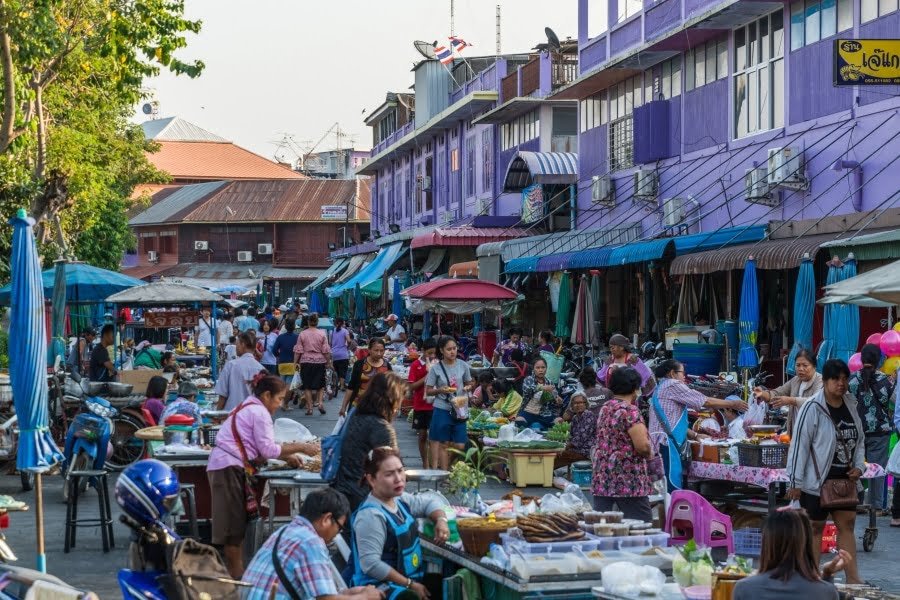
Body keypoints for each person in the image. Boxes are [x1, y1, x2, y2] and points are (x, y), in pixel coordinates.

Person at [207, 373, 318, 579]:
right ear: (266, 395)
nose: (279, 404)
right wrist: (302, 446)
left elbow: (258, 449)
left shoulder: (246, 407)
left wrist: (287, 457)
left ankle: (238, 576)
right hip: (228, 467)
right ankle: (237, 580)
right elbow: (267, 449)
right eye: (279, 399)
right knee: (232, 530)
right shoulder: (259, 412)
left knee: (236, 526)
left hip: (227, 466)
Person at [786, 358, 865, 585]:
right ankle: (811, 580)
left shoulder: (851, 404)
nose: (841, 384)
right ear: (826, 381)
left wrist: (859, 466)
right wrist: (795, 481)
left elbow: (859, 440)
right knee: (815, 528)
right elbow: (799, 445)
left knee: (847, 526)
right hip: (816, 480)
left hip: (845, 480)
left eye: (844, 379)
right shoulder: (812, 407)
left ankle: (853, 579)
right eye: (835, 379)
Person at [242, 487, 382, 600]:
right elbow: (326, 599)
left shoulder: (285, 531)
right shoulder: (311, 542)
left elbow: (322, 592)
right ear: (327, 519)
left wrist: (351, 593)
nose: (336, 534)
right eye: (339, 527)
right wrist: (365, 596)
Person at [350, 447, 449, 600]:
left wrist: (441, 521)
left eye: (400, 470)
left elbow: (430, 503)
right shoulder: (371, 516)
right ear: (371, 479)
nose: (398, 478)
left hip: (408, 578)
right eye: (389, 474)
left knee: (444, 579)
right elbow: (371, 564)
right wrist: (410, 584)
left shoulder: (400, 500)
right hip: (378, 586)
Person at [650, 359, 747, 491]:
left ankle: (668, 510)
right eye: (682, 373)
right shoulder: (672, 384)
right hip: (667, 445)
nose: (684, 376)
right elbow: (704, 401)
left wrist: (695, 435)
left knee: (662, 489)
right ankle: (672, 510)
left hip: (660, 443)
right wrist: (732, 404)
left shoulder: (660, 387)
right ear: (673, 373)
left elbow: (670, 421)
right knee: (671, 488)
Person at [732, 511, 849, 599]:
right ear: (806, 544)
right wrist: (827, 575)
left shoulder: (744, 588)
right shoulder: (825, 591)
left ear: (766, 544)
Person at [333, 372, 403, 511]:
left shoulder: (356, 413)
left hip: (343, 487)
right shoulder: (381, 427)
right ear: (393, 398)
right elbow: (393, 468)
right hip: (367, 497)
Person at [591, 367, 653, 521]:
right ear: (634, 388)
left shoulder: (605, 408)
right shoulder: (630, 411)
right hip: (627, 480)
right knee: (642, 528)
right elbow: (642, 447)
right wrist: (650, 452)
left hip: (603, 477)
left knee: (602, 527)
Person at [849, 343, 894, 512]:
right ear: (879, 360)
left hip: (856, 431)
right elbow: (894, 403)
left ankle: (857, 502)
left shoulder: (852, 379)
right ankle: (876, 506)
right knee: (877, 470)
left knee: (856, 467)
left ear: (861, 360)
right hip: (880, 432)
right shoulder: (885, 380)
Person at [425, 335, 474, 470]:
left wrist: (468, 387)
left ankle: (449, 466)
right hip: (442, 408)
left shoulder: (463, 365)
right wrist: (440, 390)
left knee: (460, 445)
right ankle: (445, 474)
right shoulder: (436, 368)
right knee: (443, 443)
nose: (452, 352)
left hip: (459, 409)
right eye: (449, 349)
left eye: (454, 348)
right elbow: (428, 391)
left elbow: (470, 382)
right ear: (441, 350)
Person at [755, 349, 823, 432]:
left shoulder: (820, 380)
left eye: (805, 365)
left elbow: (815, 402)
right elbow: (777, 393)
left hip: (814, 432)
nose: (801, 369)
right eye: (798, 365)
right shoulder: (795, 380)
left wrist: (791, 400)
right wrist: (762, 394)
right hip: (796, 431)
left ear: (814, 366)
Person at [214, 331, 266, 411]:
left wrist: (217, 415)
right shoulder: (262, 369)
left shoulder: (231, 365)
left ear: (243, 345)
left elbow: (222, 396)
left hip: (232, 415)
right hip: (252, 416)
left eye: (237, 345)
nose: (236, 347)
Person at [294, 313, 332, 416]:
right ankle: (320, 403)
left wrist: (295, 363)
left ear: (308, 322)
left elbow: (298, 351)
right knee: (320, 385)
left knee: (307, 386)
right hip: (320, 362)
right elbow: (326, 351)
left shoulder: (302, 334)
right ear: (317, 322)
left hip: (305, 361)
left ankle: (310, 408)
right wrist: (328, 362)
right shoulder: (322, 334)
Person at [341, 339, 391, 417]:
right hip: (358, 406)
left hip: (378, 409)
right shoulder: (360, 364)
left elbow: (390, 389)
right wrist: (343, 407)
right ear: (369, 350)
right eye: (376, 350)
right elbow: (351, 387)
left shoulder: (387, 366)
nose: (379, 353)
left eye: (382, 351)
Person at [408, 338, 436, 468]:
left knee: (434, 436)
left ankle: (433, 461)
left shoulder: (437, 364)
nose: (431, 356)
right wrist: (426, 378)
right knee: (423, 435)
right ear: (423, 351)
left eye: (434, 353)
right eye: (429, 353)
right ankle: (425, 461)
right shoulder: (415, 365)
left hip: (435, 404)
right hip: (420, 404)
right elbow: (411, 387)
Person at [554, 390, 595, 470]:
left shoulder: (588, 415)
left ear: (585, 404)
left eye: (580, 402)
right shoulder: (575, 418)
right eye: (575, 403)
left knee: (556, 456)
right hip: (576, 449)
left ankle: (546, 477)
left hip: (585, 451)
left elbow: (580, 438)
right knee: (554, 455)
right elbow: (571, 435)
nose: (577, 405)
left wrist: (564, 447)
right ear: (572, 406)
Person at [517, 357, 562, 429]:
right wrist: (542, 388)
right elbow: (528, 390)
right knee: (519, 420)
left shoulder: (550, 382)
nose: (540, 370)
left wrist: (557, 400)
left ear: (546, 368)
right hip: (529, 412)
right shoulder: (528, 379)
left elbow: (554, 398)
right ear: (533, 369)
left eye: (543, 367)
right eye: (537, 368)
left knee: (559, 420)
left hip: (545, 414)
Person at [330, 317, 354, 394]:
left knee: (335, 370)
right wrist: (347, 347)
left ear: (335, 323)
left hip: (334, 354)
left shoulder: (331, 331)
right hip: (343, 354)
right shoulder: (345, 331)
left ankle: (335, 383)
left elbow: (330, 343)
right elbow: (349, 341)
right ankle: (342, 386)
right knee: (343, 371)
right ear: (343, 323)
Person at [272, 316, 299, 384]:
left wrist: (279, 355)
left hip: (282, 363)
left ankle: (283, 394)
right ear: (294, 326)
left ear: (285, 326)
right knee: (289, 384)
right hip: (294, 363)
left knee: (282, 383)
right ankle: (287, 394)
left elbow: (274, 350)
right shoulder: (297, 337)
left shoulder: (280, 337)